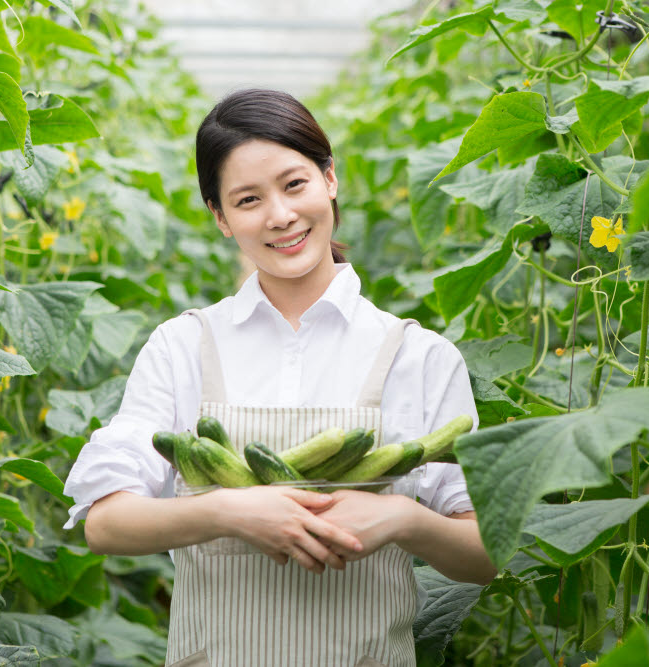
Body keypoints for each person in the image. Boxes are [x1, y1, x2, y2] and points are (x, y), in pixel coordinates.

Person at [63, 88, 497, 667]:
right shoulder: (183, 346)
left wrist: (403, 519)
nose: (280, 215)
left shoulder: (420, 356)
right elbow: (107, 524)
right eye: (247, 199)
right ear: (220, 218)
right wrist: (228, 511)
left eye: (295, 185)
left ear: (330, 180)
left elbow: (487, 554)